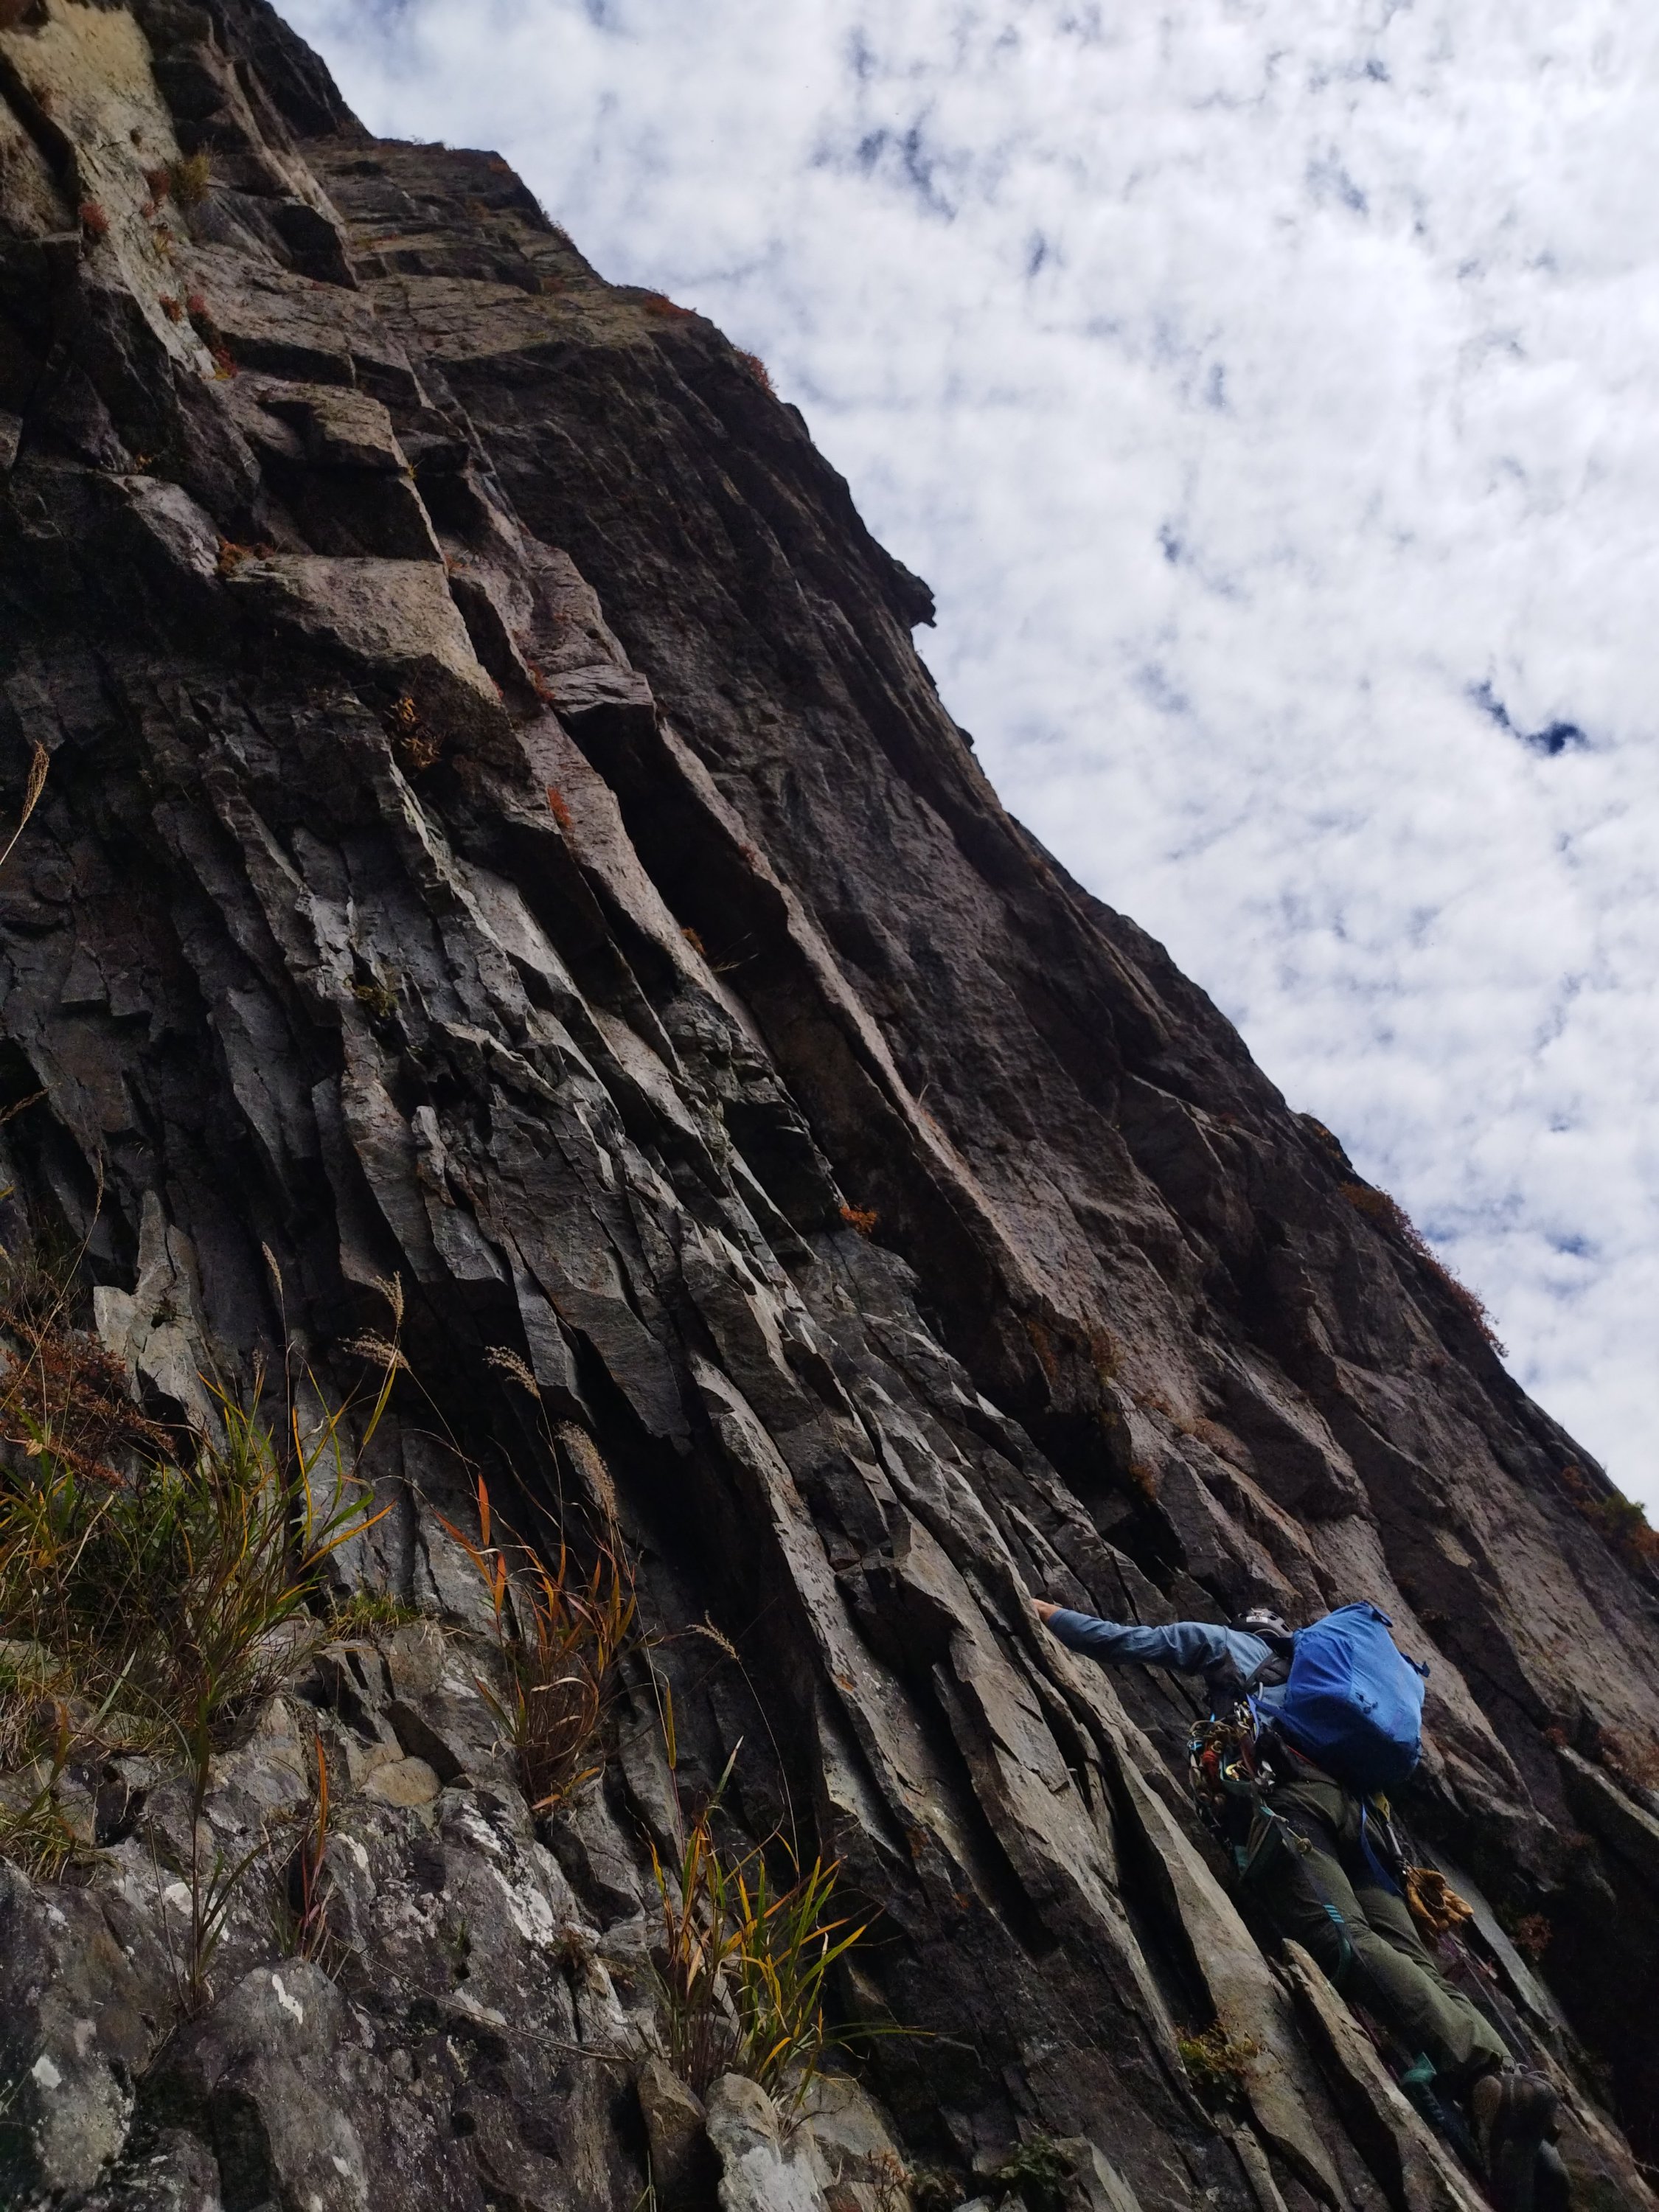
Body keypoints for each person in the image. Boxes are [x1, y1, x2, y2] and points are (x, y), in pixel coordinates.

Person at [1034, 1596, 1565, 2212]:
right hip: (1369, 1834)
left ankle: (1476, 2074)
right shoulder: (1334, 1682)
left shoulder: (1232, 1647)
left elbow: (1129, 1640)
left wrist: (1048, 1614)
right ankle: (1515, 2099)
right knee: (1412, 1960)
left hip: (1295, 1802)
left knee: (1343, 1940)